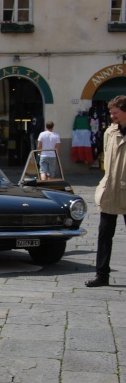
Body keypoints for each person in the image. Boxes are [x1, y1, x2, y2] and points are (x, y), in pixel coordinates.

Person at [86, 95, 126, 288]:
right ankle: (102, 275)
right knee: (104, 234)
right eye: (111, 112)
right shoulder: (110, 132)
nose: (112, 116)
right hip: (110, 189)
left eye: (115, 112)